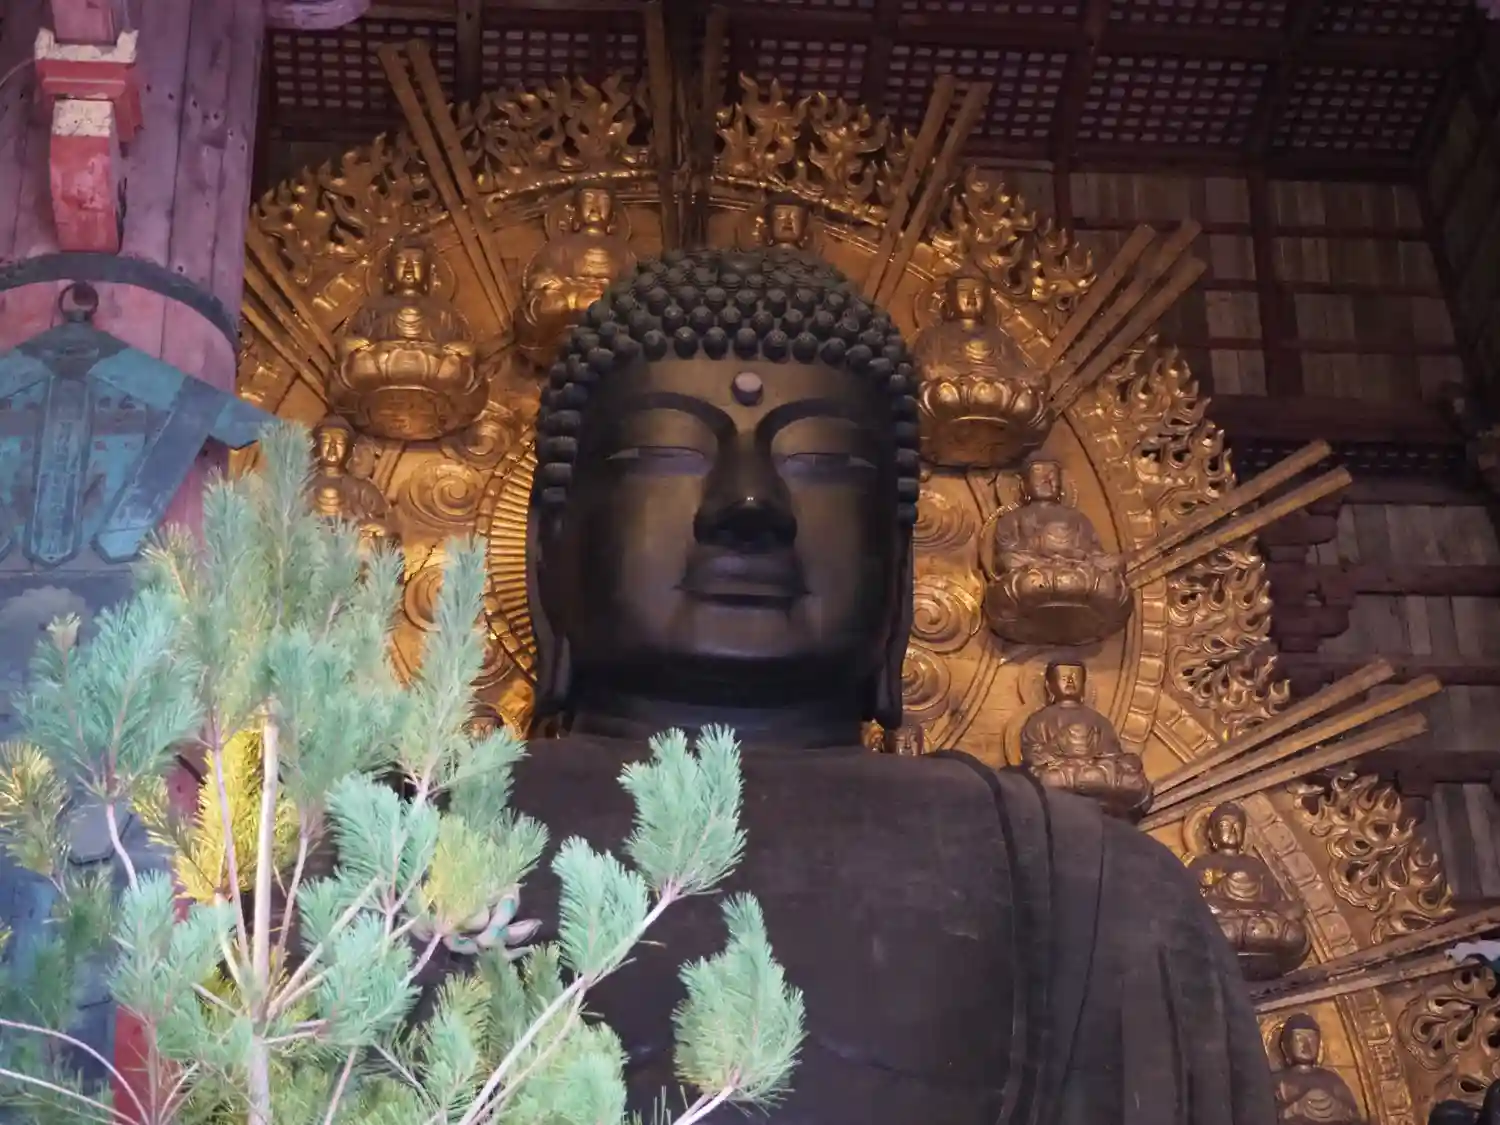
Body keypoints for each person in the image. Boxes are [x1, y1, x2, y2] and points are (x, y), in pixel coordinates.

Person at [495, 246, 1274, 1124]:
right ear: (548, 548)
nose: (749, 504)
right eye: (667, 450)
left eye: (825, 462)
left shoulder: (1095, 892)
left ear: (900, 568)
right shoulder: (403, 848)